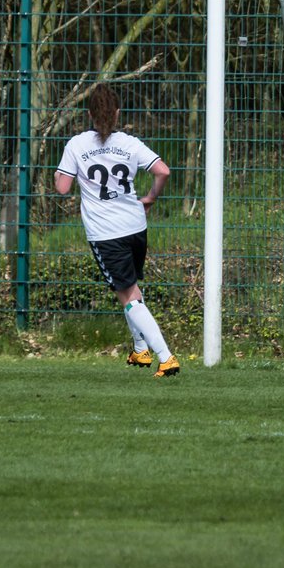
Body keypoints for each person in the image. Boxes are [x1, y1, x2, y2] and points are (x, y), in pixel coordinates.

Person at [54, 84, 180, 377]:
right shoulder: (129, 142)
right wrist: (150, 198)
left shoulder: (77, 144)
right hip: (136, 227)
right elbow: (163, 171)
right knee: (132, 289)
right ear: (118, 113)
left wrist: (58, 174)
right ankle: (140, 350)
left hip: (106, 233)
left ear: (89, 114)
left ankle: (166, 357)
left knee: (128, 296)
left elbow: (62, 188)